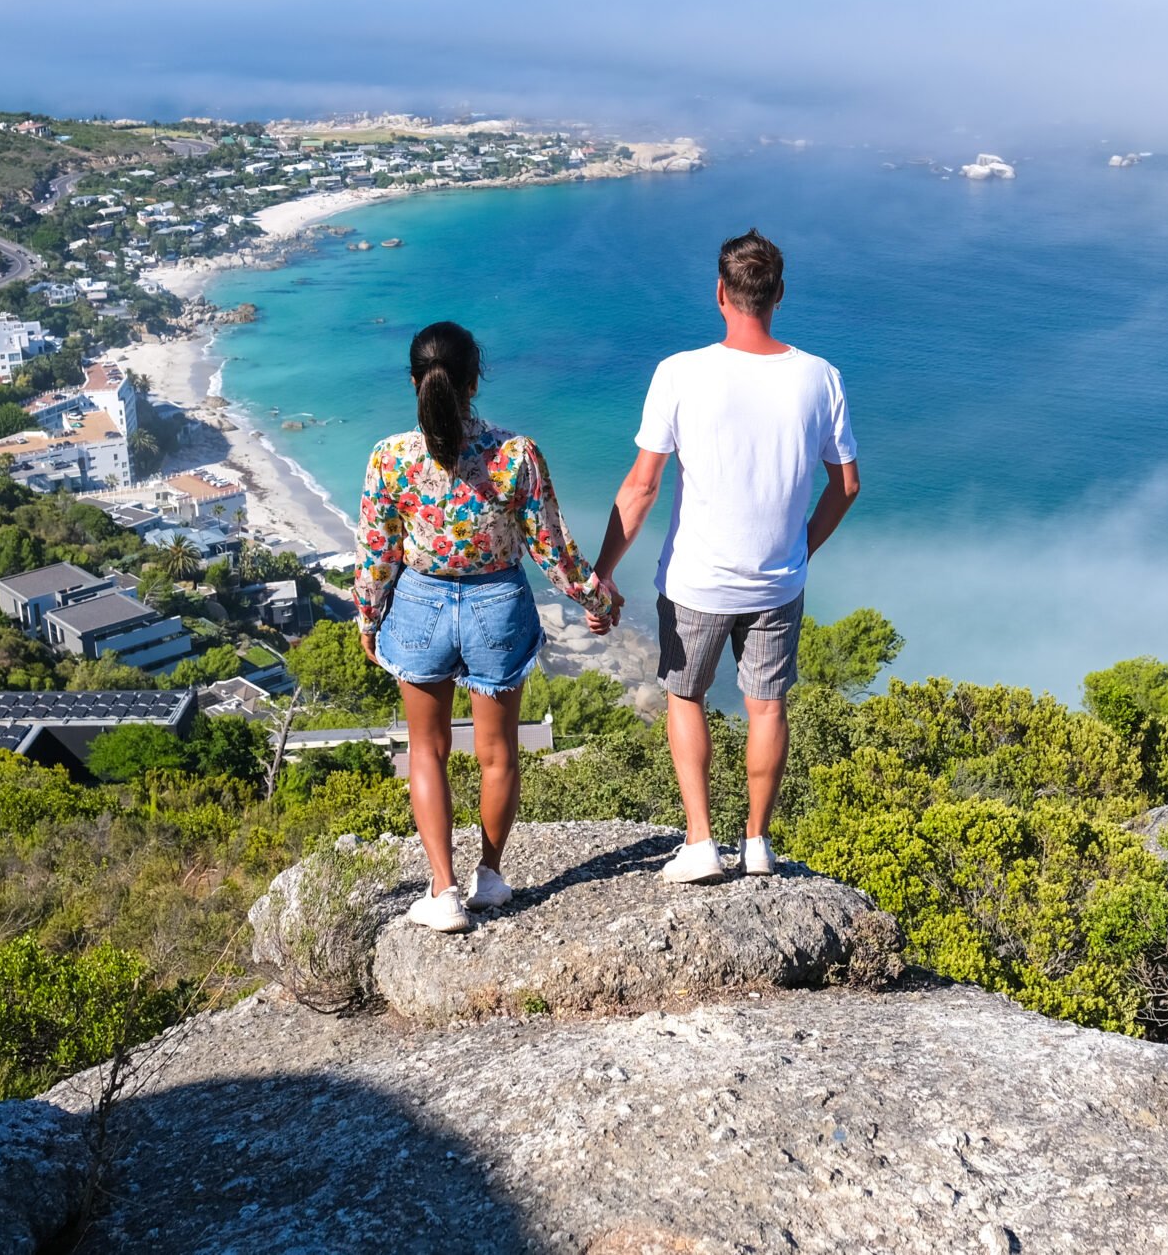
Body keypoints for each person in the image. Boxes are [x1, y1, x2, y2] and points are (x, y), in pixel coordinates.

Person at [594, 229, 860, 884]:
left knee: (685, 698)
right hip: (777, 582)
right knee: (766, 705)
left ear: (720, 293)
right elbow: (846, 484)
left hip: (695, 581)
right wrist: (800, 546)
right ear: (779, 294)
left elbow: (642, 486)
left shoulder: (679, 373)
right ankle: (759, 843)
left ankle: (701, 842)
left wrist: (600, 571)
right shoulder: (820, 377)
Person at [355, 320, 621, 932]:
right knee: (497, 754)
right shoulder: (515, 454)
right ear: (476, 379)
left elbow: (378, 553)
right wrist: (598, 598)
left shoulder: (390, 458)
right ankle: (490, 877)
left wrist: (369, 618)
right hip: (497, 606)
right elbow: (552, 549)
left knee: (428, 751)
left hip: (419, 606)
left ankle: (442, 891)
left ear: (416, 381)